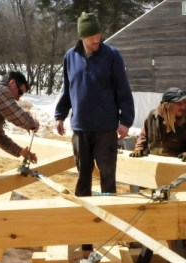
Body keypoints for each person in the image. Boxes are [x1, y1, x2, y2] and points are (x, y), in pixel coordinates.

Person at [54, 11, 135, 197]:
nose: (96, 40)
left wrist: (126, 120)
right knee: (83, 173)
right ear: (82, 36)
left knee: (107, 173)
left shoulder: (112, 55)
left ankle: (109, 210)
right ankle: (83, 213)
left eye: (98, 35)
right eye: (92, 37)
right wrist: (60, 115)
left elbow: (123, 90)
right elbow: (67, 89)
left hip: (105, 128)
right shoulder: (70, 57)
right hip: (80, 128)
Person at [130, 87, 186, 162]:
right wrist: (139, 148)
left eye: (184, 102)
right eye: (179, 103)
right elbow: (143, 136)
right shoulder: (152, 117)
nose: (183, 107)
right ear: (166, 105)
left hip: (177, 166)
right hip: (152, 163)